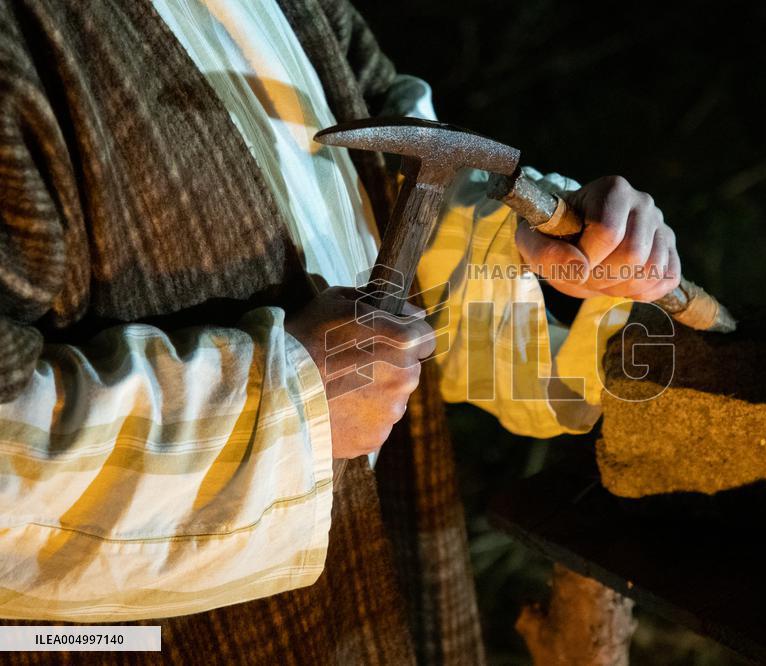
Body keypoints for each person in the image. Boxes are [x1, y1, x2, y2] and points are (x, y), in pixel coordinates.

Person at [0, 0, 679, 662]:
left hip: (376, 564)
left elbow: (396, 172)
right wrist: (284, 399)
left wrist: (524, 238)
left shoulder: (305, 8)